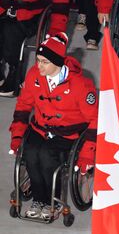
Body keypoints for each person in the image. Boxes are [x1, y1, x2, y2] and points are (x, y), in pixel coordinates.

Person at [9, 32, 98, 221]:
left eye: (44, 62)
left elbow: (95, 119)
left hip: (68, 134)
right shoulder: (34, 75)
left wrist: (87, 153)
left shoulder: (82, 85)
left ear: (57, 62)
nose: (38, 66)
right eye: (38, 60)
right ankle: (39, 200)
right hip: (40, 128)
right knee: (30, 153)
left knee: (48, 157)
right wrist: (17, 135)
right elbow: (23, 107)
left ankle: (53, 202)